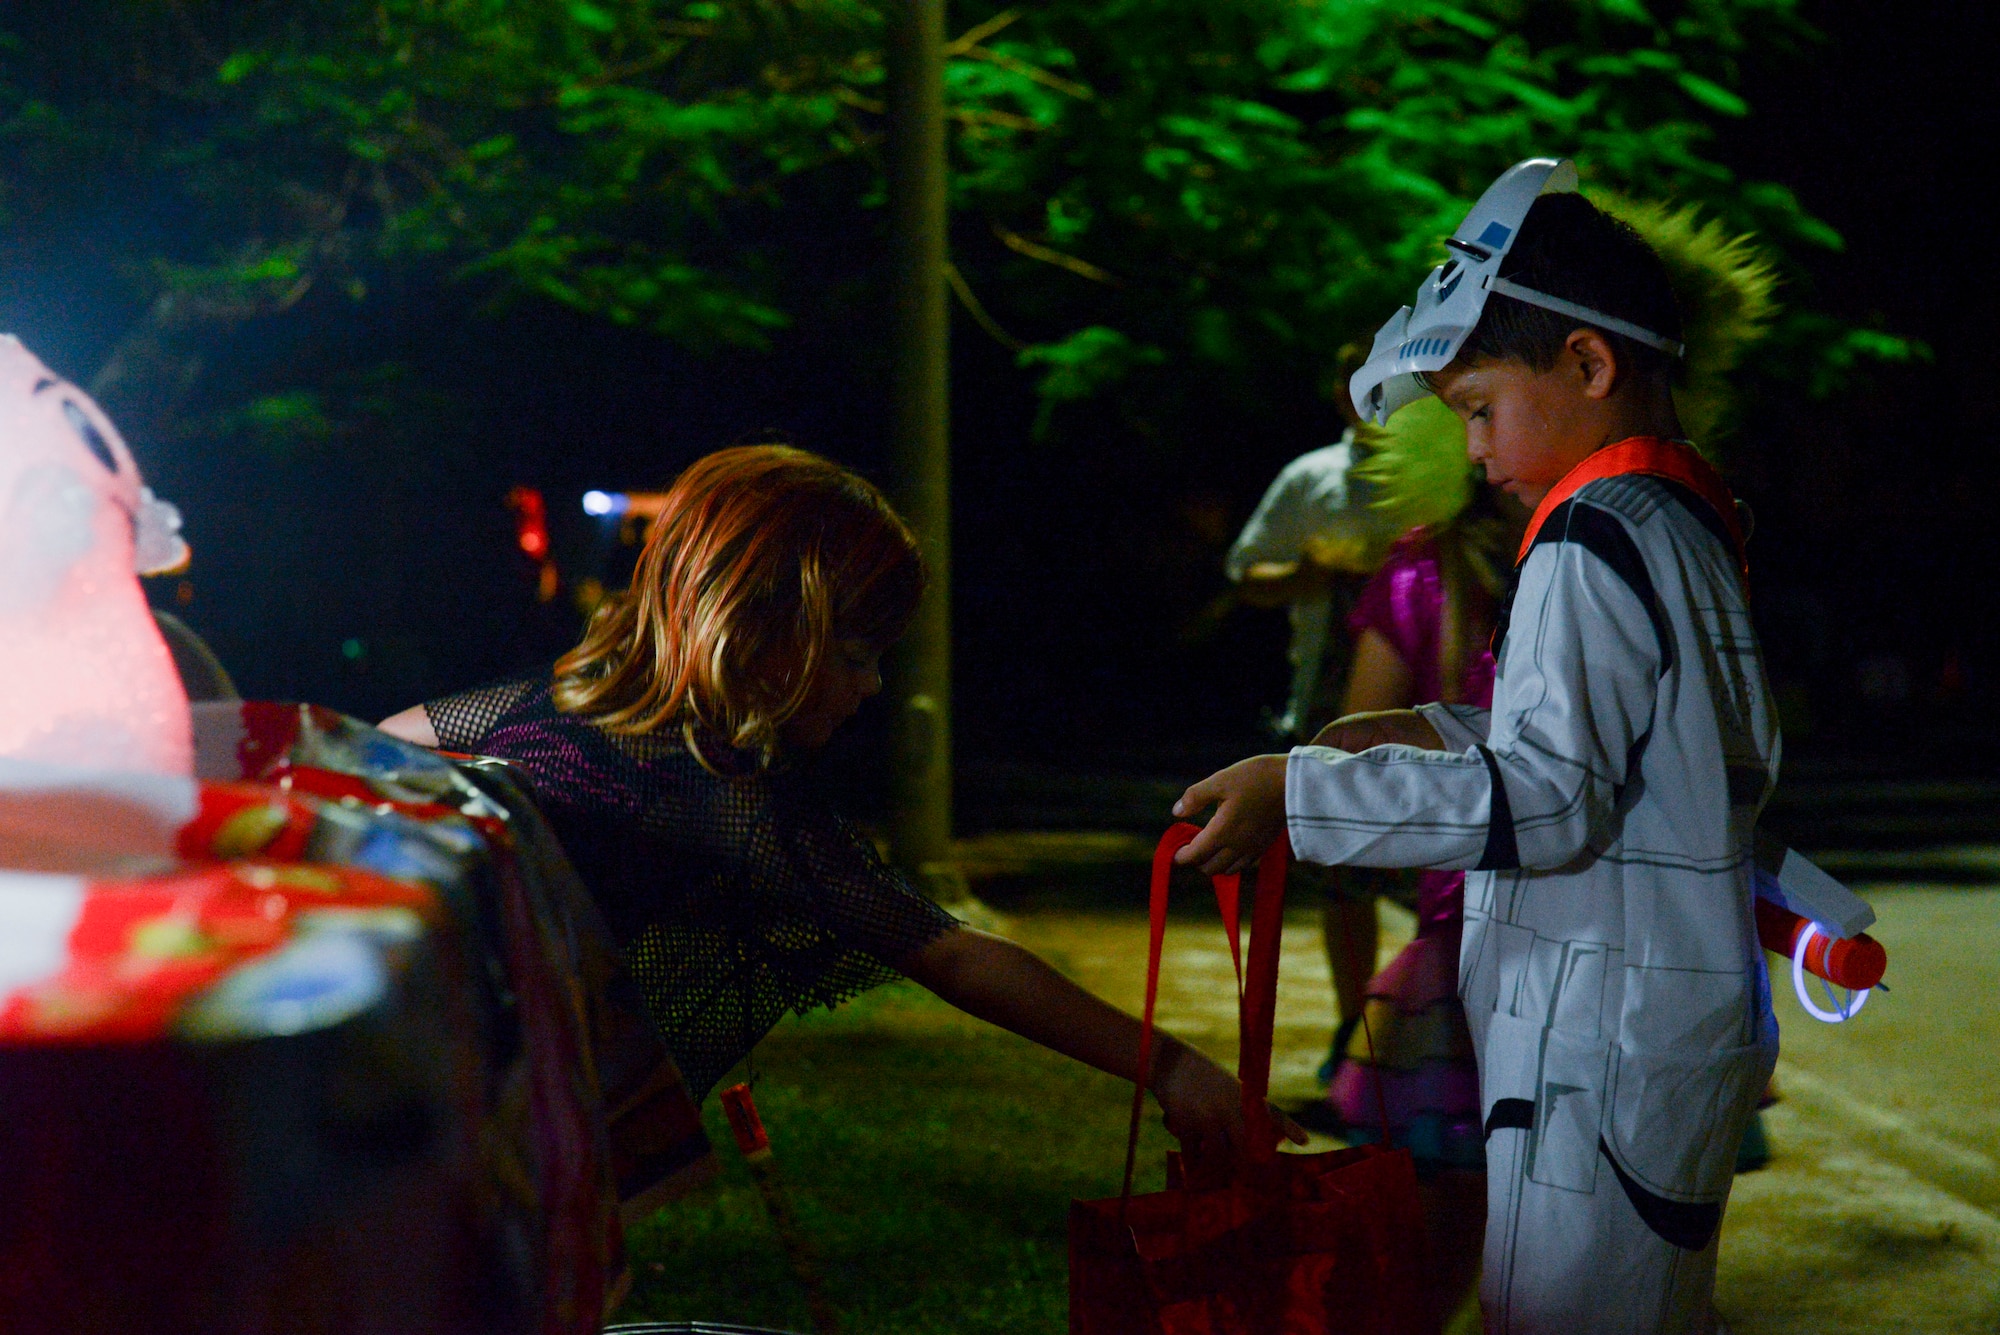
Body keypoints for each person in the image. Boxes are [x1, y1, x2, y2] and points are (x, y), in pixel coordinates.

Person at [1173, 159, 1780, 1333]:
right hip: (1648, 1026)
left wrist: (1299, 793)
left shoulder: (1585, 531)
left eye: (1475, 407)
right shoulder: (1677, 513)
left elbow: (1550, 799)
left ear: (1587, 366)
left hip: (1600, 1041)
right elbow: (1618, 749)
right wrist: (1428, 727)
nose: (1468, 449)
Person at [383, 445, 1299, 1172]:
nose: (872, 685)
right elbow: (950, 952)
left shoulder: (544, 707)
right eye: (856, 653)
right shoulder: (722, 795)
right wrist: (1168, 1064)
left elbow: (381, 743)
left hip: (406, 1072)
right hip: (472, 1120)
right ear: (765, 633)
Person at [1317, 395, 1526, 1323]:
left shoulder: (1420, 571)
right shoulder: (1633, 551)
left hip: (1464, 946)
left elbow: (1353, 749)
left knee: (1443, 1244)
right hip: (1616, 947)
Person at [1225, 401, 1409, 1080]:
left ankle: (1423, 1037)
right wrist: (1312, 574)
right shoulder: (1317, 477)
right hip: (1330, 694)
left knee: (1439, 881)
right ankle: (1355, 1027)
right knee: (1345, 877)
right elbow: (1246, 572)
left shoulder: (1455, 477)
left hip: (1432, 699)